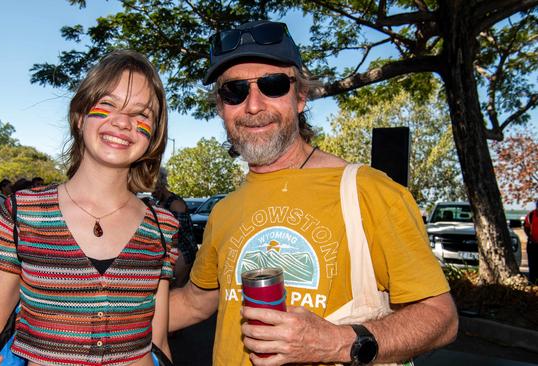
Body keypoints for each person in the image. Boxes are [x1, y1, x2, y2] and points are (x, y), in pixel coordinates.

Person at [168, 20, 458, 366]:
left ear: (301, 96)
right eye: (235, 91)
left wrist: (337, 342)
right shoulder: (225, 210)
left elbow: (441, 317)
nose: (254, 105)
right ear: (221, 107)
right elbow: (195, 302)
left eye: (273, 85)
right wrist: (97, 313)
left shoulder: (370, 190)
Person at [0, 50, 178, 366]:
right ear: (80, 115)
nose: (124, 122)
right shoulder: (22, 214)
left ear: (153, 133)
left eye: (142, 114)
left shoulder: (162, 226)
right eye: (109, 104)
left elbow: (159, 342)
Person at [152, 167, 197, 287]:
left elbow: (177, 234)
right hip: (175, 251)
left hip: (184, 252)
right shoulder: (161, 202)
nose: (152, 193)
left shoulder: (175, 204)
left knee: (176, 288)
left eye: (154, 189)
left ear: (161, 185)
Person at [524, 200, 538, 283]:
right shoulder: (531, 215)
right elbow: (526, 227)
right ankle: (532, 282)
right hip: (532, 244)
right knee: (532, 265)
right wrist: (530, 237)